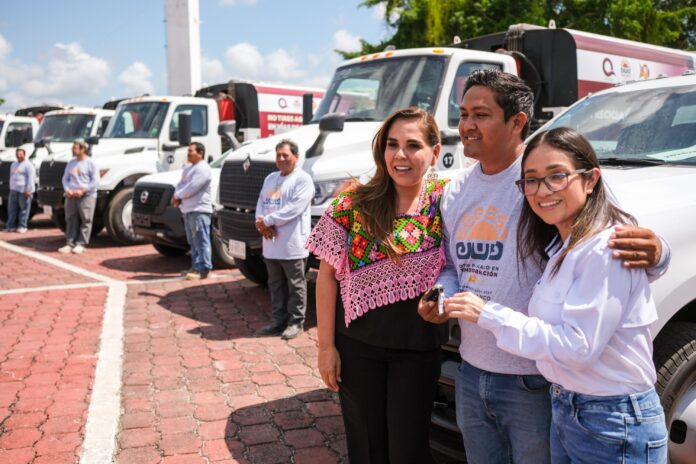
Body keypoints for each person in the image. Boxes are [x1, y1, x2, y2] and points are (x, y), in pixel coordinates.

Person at [418, 69, 669, 464]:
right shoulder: (455, 191)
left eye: (480, 115)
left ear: (517, 122)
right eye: (463, 113)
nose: (466, 125)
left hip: (534, 380)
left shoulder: (551, 180)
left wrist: (659, 252)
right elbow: (451, 264)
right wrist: (443, 296)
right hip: (470, 370)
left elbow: (614, 233)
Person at [306, 107, 448, 463]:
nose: (400, 155)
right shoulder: (352, 204)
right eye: (392, 144)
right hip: (357, 349)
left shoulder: (449, 201)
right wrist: (326, 348)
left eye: (413, 145)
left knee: (409, 449)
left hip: (418, 351)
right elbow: (326, 276)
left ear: (435, 149)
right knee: (366, 447)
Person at [255, 139, 314, 340]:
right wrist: (260, 222)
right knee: (275, 284)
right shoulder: (270, 178)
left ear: (296, 157)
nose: (281, 159)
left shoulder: (303, 179)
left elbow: (294, 208)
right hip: (270, 243)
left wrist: (268, 221)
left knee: (296, 284)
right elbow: (261, 202)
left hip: (292, 243)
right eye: (278, 155)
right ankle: (277, 320)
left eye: (285, 155)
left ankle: (296, 322)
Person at [172, 142, 213, 280]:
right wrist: (176, 195)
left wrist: (178, 196)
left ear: (200, 153)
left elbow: (192, 187)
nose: (188, 154)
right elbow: (181, 184)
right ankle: (195, 267)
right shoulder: (189, 169)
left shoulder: (203, 169)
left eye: (191, 151)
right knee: (193, 241)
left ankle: (204, 268)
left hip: (199, 210)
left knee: (201, 240)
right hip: (188, 210)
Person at [59, 139, 98, 254]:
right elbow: (65, 178)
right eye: (73, 147)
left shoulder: (91, 163)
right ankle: (69, 243)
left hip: (86, 196)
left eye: (75, 147)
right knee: (70, 219)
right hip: (71, 195)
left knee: (86, 219)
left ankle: (81, 243)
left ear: (83, 149)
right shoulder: (71, 163)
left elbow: (95, 181)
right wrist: (67, 190)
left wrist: (84, 190)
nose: (73, 149)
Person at [5, 148, 35, 233]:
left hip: (23, 191)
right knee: (12, 209)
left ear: (24, 155)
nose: (19, 156)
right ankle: (11, 226)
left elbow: (31, 178)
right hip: (14, 190)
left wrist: (29, 190)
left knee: (23, 209)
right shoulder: (13, 165)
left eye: (20, 154)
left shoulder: (28, 165)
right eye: (17, 154)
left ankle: (22, 226)